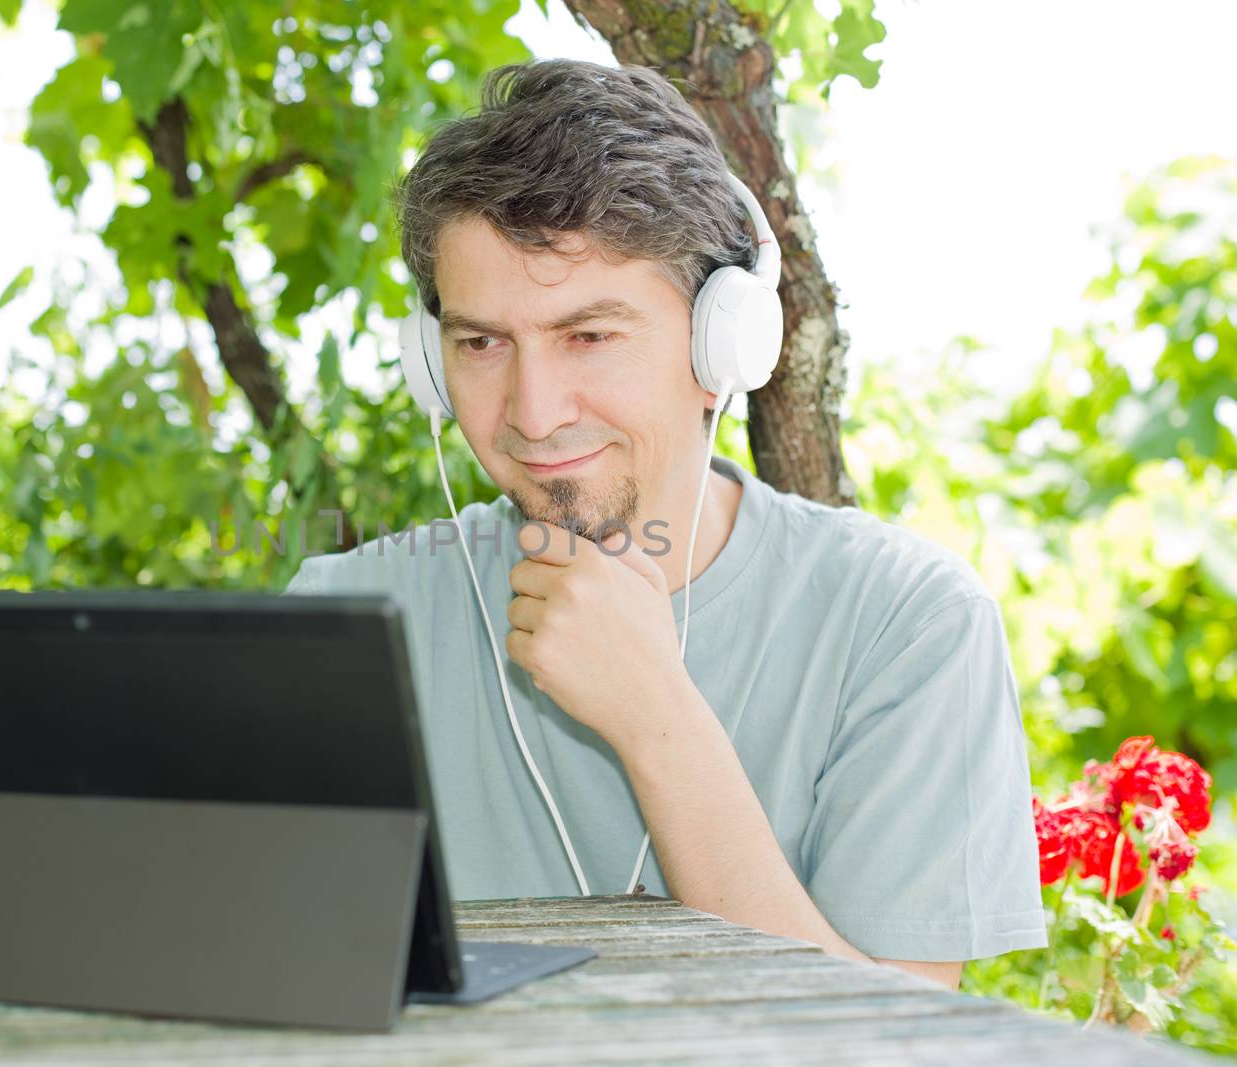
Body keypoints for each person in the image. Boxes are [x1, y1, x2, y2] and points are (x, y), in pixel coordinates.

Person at [284, 59, 1044, 989]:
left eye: (589, 335)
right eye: (482, 343)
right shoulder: (344, 613)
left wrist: (657, 719)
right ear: (431, 365)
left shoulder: (907, 622)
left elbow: (893, 1048)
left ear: (720, 343)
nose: (533, 410)